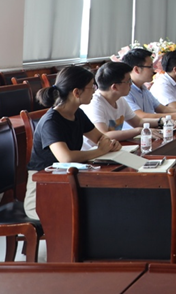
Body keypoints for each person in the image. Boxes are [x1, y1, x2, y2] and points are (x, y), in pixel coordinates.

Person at [24, 66, 121, 220]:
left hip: (67, 181)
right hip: (43, 190)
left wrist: (110, 144)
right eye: (91, 87)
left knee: (107, 204)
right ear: (76, 92)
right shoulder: (51, 121)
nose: (94, 91)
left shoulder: (77, 113)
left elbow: (100, 138)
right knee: (93, 212)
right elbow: (66, 158)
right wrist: (100, 151)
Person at [81, 62, 161, 147]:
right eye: (128, 81)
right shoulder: (95, 104)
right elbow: (103, 135)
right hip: (94, 151)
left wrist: (161, 121)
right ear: (114, 87)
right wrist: (138, 131)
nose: (131, 84)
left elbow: (138, 122)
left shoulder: (120, 99)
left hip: (112, 148)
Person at [121, 48, 176, 122]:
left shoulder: (143, 88)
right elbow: (141, 116)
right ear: (137, 70)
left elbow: (163, 109)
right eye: (150, 67)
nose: (154, 70)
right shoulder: (125, 92)